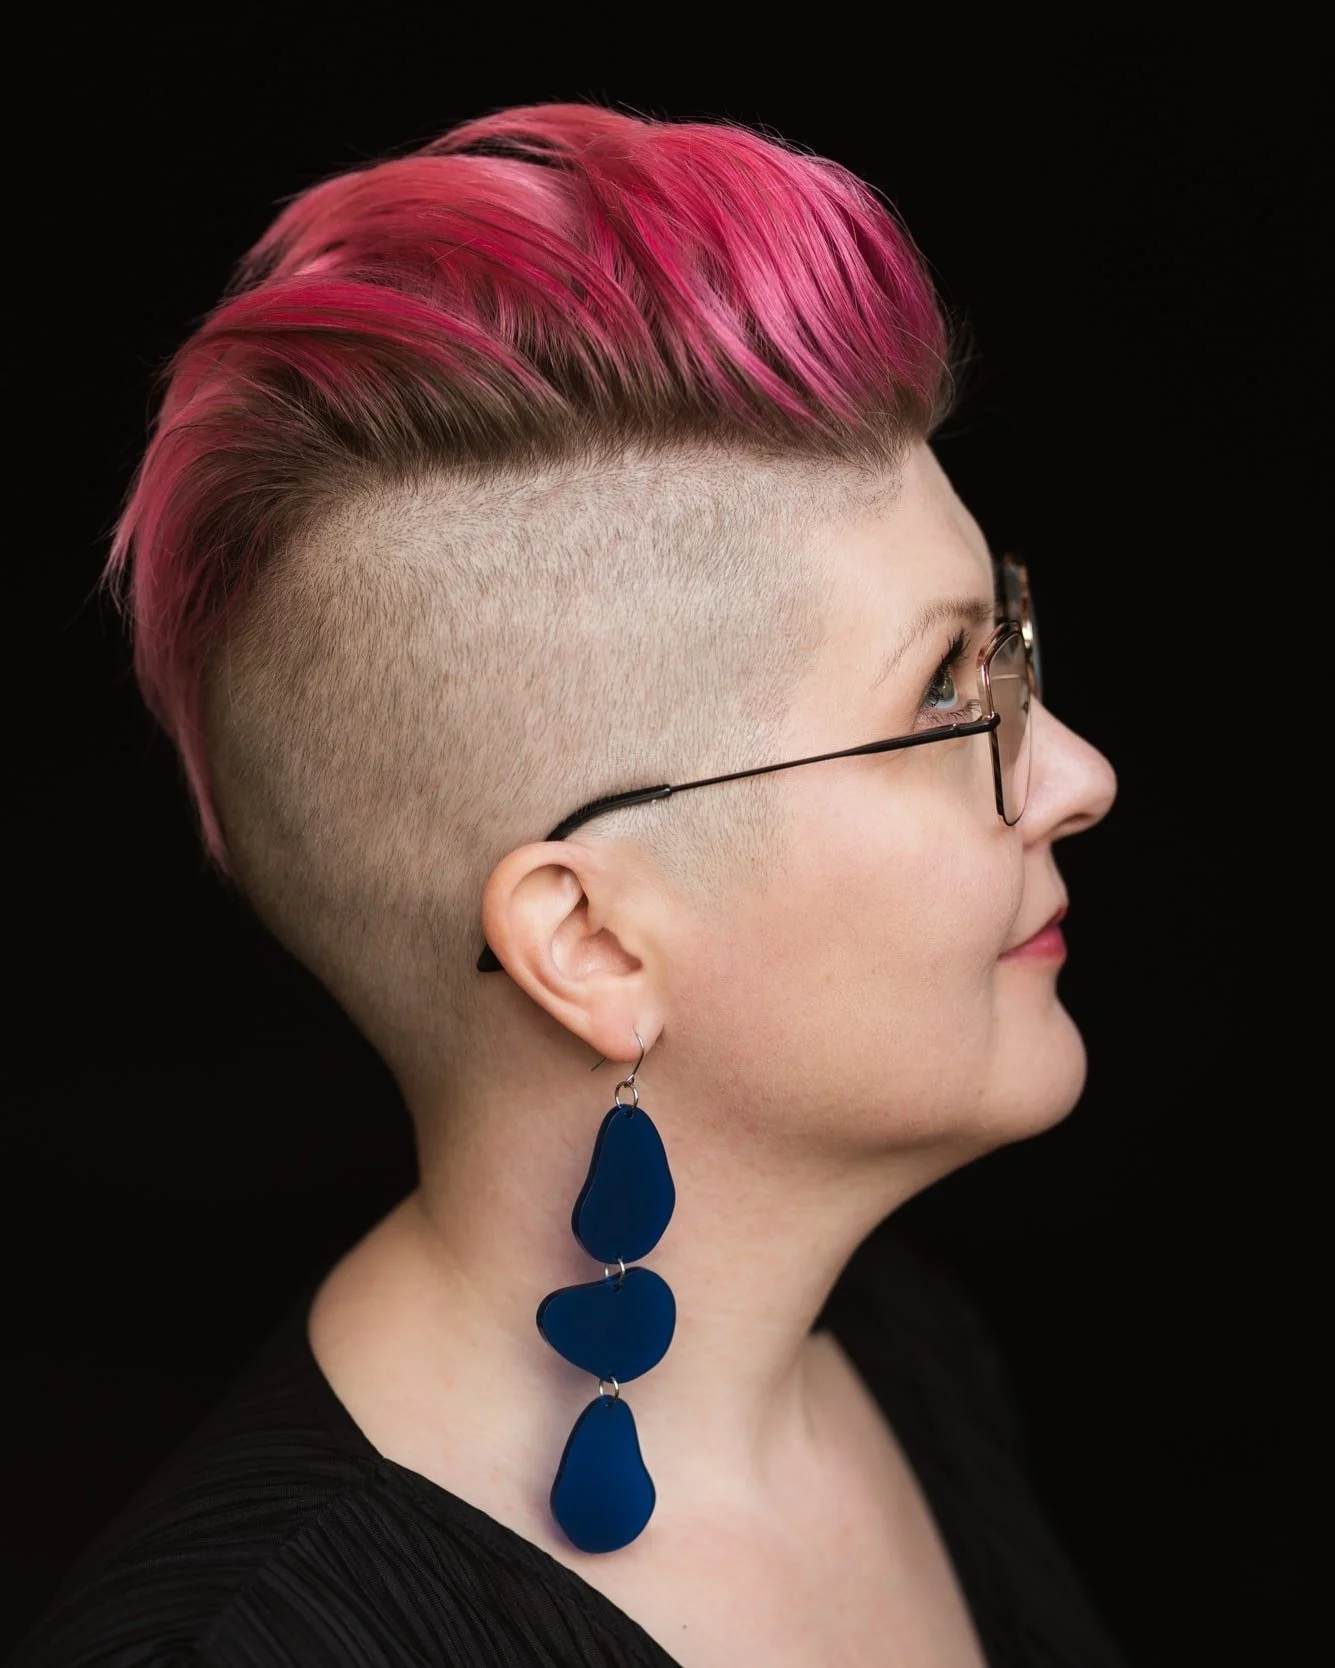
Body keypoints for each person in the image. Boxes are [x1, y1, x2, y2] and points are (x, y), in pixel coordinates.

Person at [14, 102, 1129, 1667]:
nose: (1077, 774)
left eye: (1001, 644)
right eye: (945, 691)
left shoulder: (907, 1355)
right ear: (591, 941)